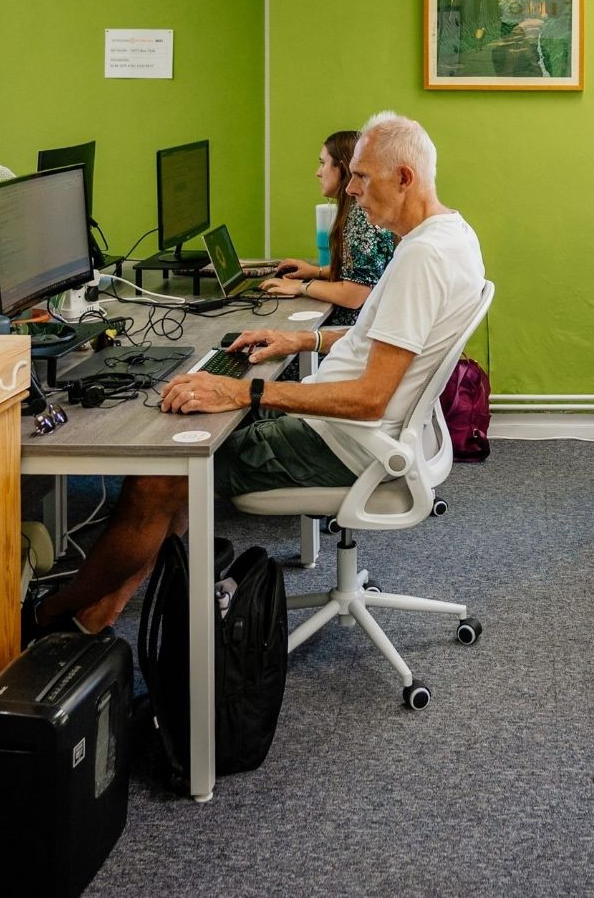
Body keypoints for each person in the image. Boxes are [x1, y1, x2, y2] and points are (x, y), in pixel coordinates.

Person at [28, 111, 485, 637]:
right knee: (180, 452)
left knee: (161, 474)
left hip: (347, 441)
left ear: (404, 178)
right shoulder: (450, 235)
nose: (353, 189)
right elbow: (383, 340)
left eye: (362, 177)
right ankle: (102, 608)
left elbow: (370, 398)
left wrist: (246, 391)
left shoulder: (421, 258)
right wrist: (299, 339)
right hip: (362, 430)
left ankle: (51, 615)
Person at [258, 129, 396, 326]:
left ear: (342, 168)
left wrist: (300, 286)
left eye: (323, 163)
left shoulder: (361, 217)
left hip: (351, 336)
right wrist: (317, 272)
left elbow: (354, 294)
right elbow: (363, 272)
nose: (318, 172)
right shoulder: (359, 210)